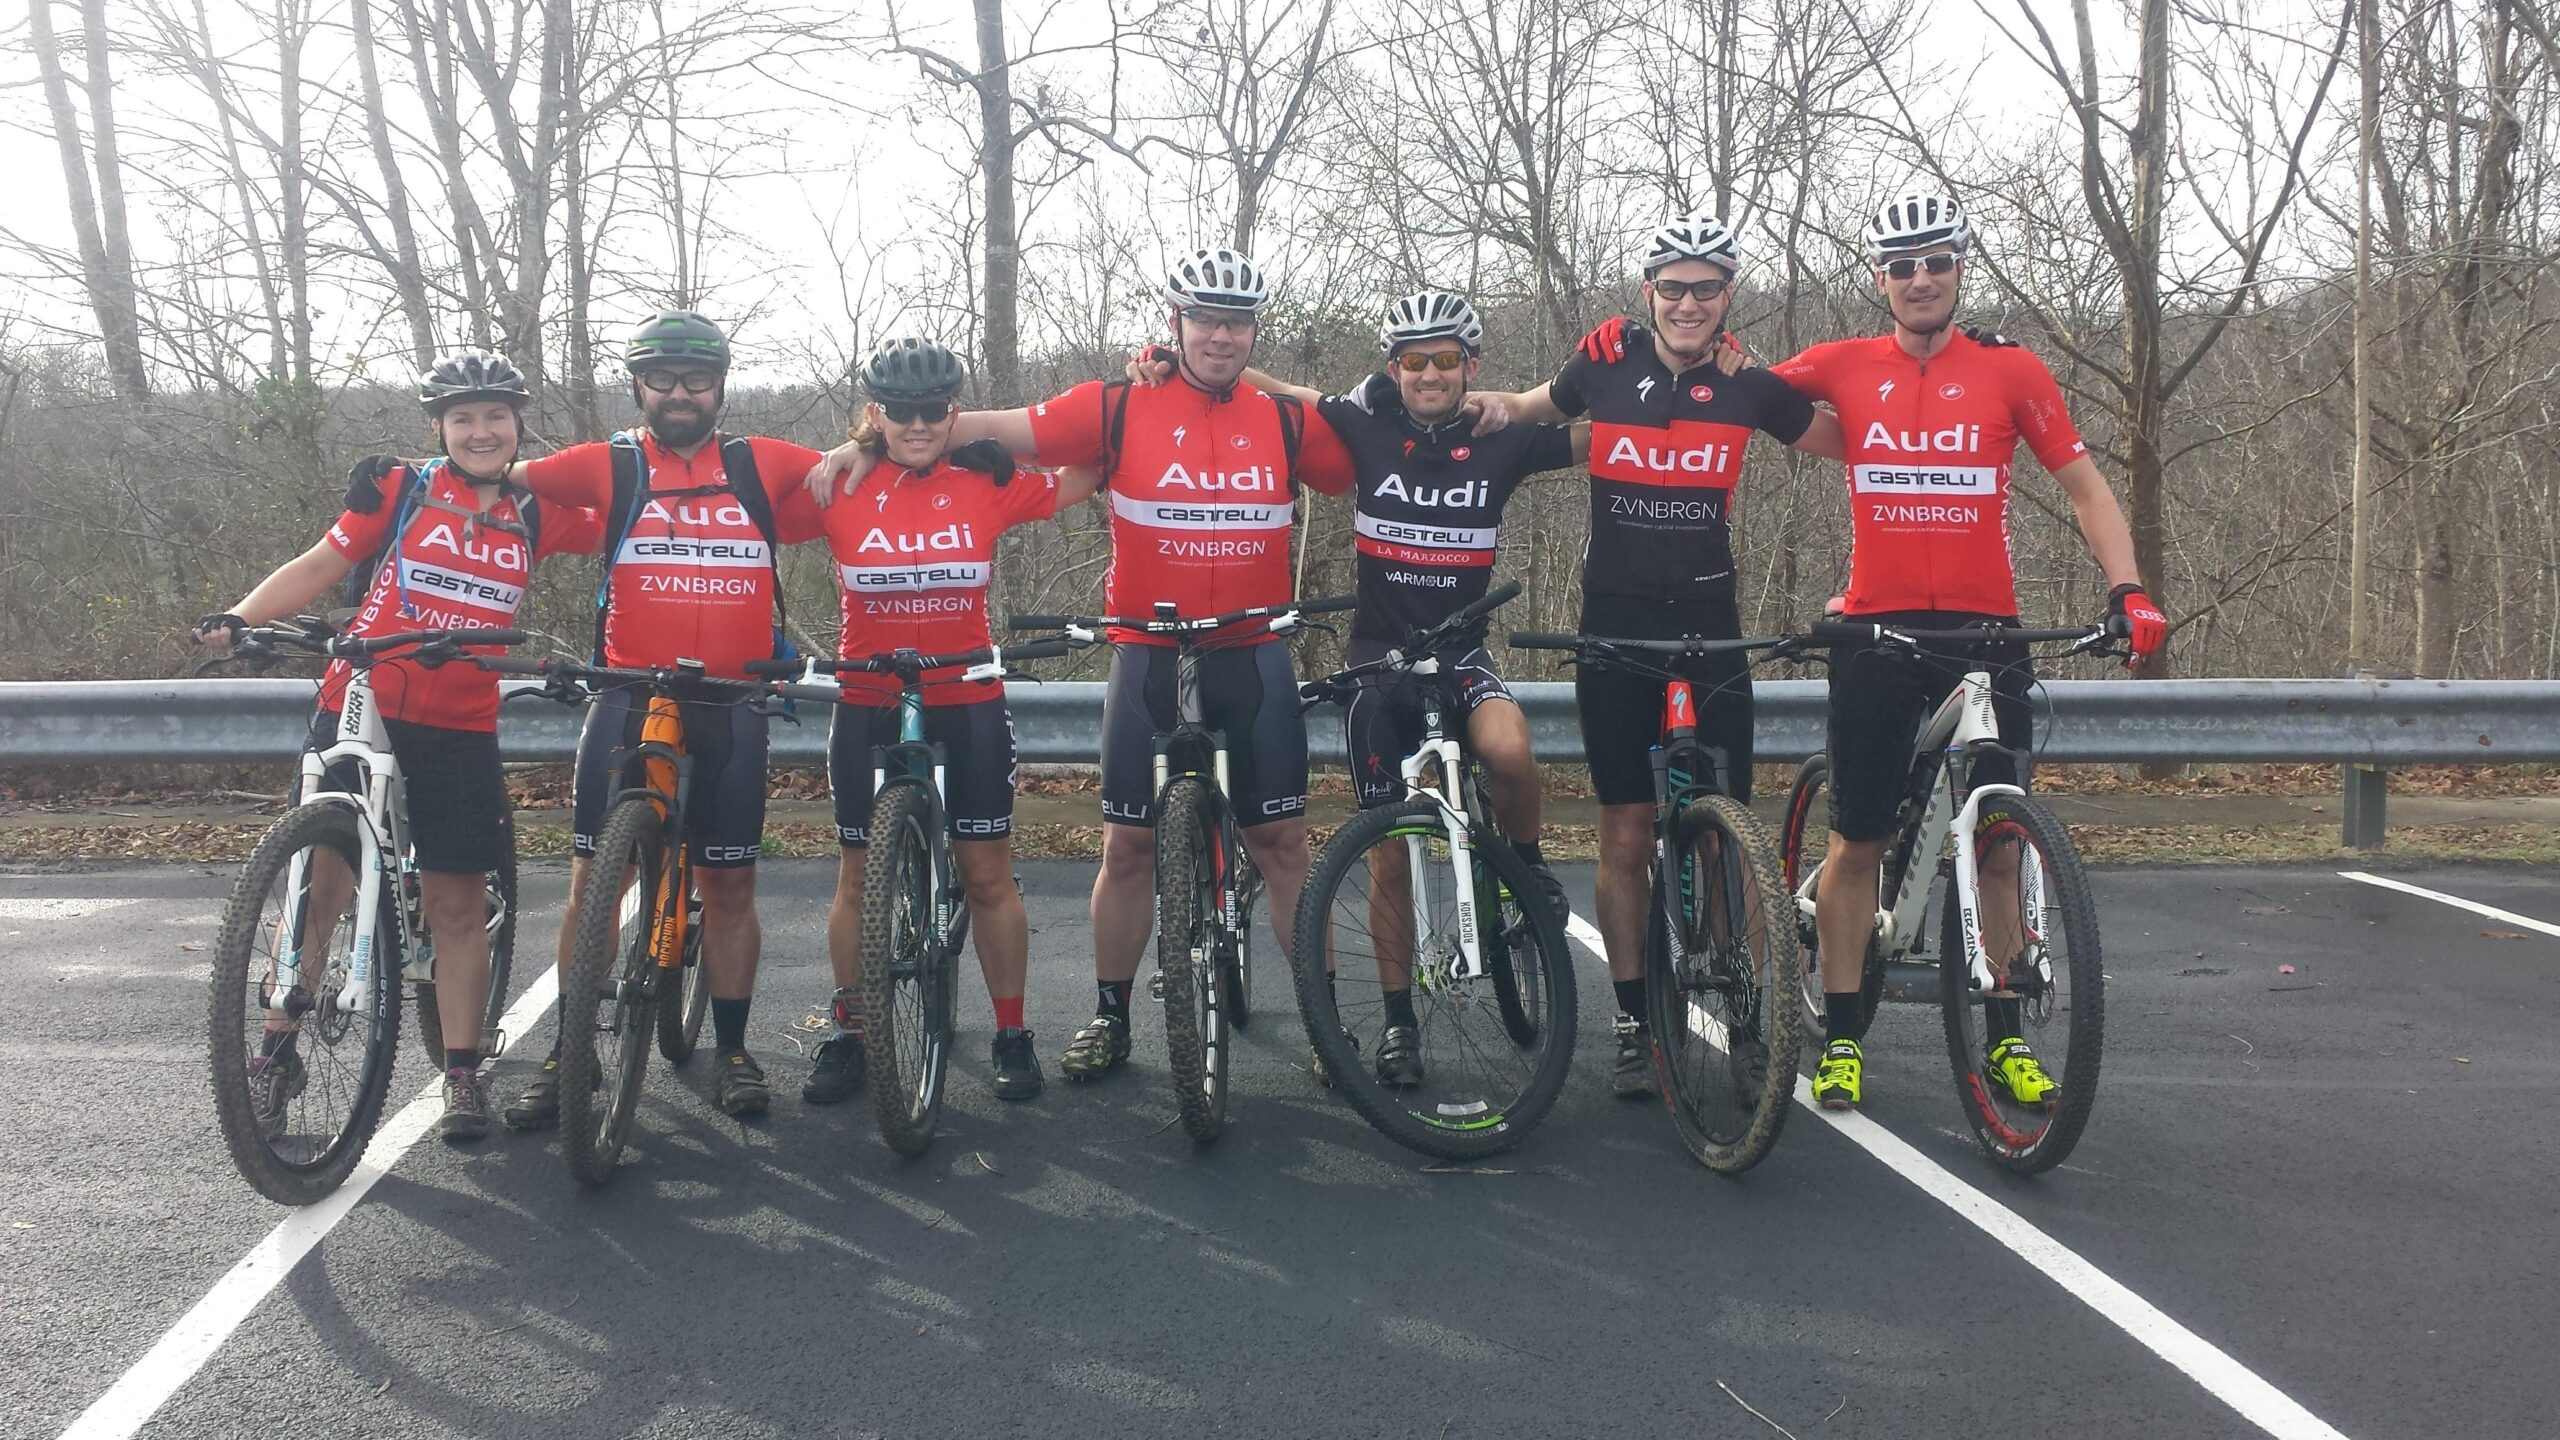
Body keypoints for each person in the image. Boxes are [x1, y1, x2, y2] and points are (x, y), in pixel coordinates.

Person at [806, 246, 1358, 1084]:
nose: (1220, 335)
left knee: (1282, 842)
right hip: (1146, 651)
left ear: (1254, 331)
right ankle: (1110, 1017)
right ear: (1175, 322)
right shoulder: (1119, 405)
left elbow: (1367, 443)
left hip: (1250, 652)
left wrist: (1275, 383)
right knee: (1128, 847)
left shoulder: (1281, 420)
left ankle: (1324, 1024)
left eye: (1236, 321)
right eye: (1204, 319)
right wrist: (871, 451)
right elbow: (994, 425)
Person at [1758, 190, 2168, 1110]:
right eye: (1901, 266)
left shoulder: (2011, 370)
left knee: (1998, 845)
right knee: (1858, 837)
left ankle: (2006, 1036)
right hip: (1875, 632)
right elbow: (1737, 397)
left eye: (1935, 261)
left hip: (1988, 636)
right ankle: (1845, 1034)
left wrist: (2128, 588)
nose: (1919, 279)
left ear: (1959, 266)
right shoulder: (1842, 363)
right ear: (1879, 279)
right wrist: (1632, 364)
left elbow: (2087, 489)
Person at [1127, 288, 1572, 1087]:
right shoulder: (1367, 425)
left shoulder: (1500, 437)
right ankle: (1400, 1022)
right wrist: (1174, 369)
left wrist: (1678, 378)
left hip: (1462, 651)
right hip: (1380, 663)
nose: (1429, 374)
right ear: (1393, 367)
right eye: (1412, 361)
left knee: (1509, 748)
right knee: (1389, 846)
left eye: (1445, 360)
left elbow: (1605, 432)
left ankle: (1529, 864)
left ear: (1470, 366)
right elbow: (1282, 396)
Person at [1469, 213, 1838, 1095]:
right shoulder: (1605, 360)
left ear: (1728, 297)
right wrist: (1478, 406)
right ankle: (1634, 1017)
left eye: (1706, 287)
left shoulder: (1749, 385)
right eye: (1672, 287)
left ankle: (1749, 1016)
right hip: (1615, 626)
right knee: (1627, 828)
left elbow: (1844, 437)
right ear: (1648, 293)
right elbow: (1531, 409)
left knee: (1728, 839)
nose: (1687, 303)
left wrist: (1946, 365)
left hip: (1712, 627)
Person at [195, 353, 600, 1141]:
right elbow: (322, 562)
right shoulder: (401, 487)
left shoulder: (536, 506)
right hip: (362, 695)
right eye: (462, 419)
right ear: (438, 429)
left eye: (495, 417)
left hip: (460, 717)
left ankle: (461, 1073)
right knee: (323, 884)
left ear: (519, 424)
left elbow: (626, 508)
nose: (480, 432)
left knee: (454, 900)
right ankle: (277, 1048)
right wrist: (239, 614)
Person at [463, 311, 833, 1122]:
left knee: (729, 884)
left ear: (721, 386)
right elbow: (491, 469)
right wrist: (404, 475)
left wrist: (916, 443)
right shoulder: (610, 464)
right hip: (628, 692)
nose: (678, 394)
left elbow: (858, 472)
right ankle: (571, 1051)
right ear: (637, 384)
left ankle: (732, 1049)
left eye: (695, 380)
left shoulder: (763, 464)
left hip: (732, 700)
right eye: (660, 379)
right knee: (595, 881)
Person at [801, 338, 1101, 1104]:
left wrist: (1143, 383)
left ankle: (1010, 1032)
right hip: (870, 696)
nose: (918, 423)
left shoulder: (984, 484)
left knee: (988, 875)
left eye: (935, 410)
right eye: (900, 411)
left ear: (954, 411)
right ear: (876, 414)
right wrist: (850, 448)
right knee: (857, 875)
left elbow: (1093, 466)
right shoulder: (840, 486)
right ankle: (851, 1028)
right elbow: (730, 495)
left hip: (966, 696)